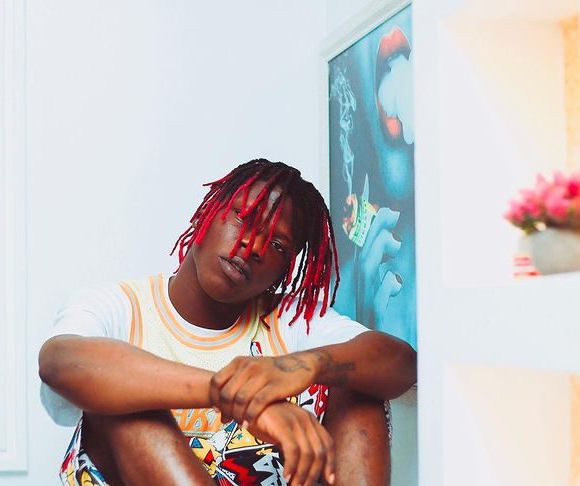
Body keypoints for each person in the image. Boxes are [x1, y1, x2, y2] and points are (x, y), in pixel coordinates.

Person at [39, 159, 417, 486]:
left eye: (278, 246)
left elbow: (401, 363)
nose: (253, 246)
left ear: (284, 272)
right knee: (127, 404)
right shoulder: (120, 306)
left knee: (358, 381)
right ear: (208, 210)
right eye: (244, 217)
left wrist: (304, 365)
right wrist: (240, 400)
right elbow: (59, 362)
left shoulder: (288, 321)